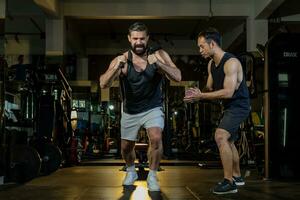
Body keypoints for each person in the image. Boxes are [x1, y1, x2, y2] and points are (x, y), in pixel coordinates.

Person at [99, 22, 181, 191]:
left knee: (156, 138)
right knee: (126, 147)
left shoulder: (159, 54)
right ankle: (131, 171)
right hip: (130, 110)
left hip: (153, 107)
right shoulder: (122, 59)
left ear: (147, 38)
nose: (139, 42)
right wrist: (116, 66)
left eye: (142, 38)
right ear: (129, 39)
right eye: (135, 38)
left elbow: (178, 76)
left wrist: (159, 64)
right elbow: (103, 84)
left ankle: (152, 175)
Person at [184, 28, 250, 194]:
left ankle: (229, 182)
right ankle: (237, 176)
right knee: (228, 141)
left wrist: (202, 96)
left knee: (220, 136)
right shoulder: (211, 64)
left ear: (212, 44)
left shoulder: (231, 62)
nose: (200, 50)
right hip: (228, 107)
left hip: (239, 106)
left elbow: (228, 92)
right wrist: (196, 93)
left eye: (201, 46)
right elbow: (209, 87)